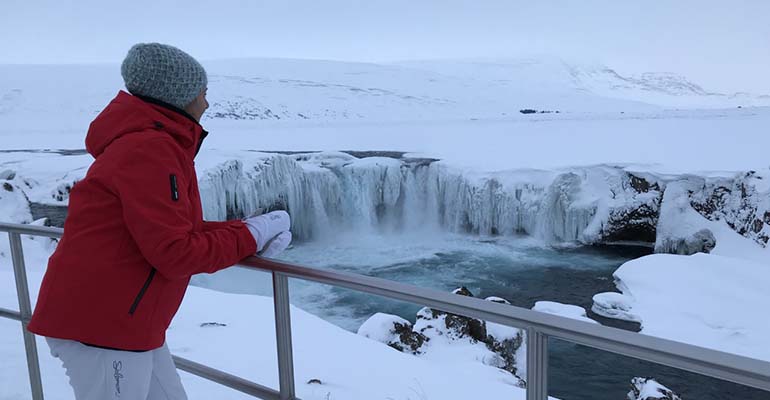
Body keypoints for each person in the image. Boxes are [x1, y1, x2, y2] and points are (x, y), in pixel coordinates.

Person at [27, 43, 292, 400]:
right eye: (203, 93)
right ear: (177, 95)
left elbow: (175, 228)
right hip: (103, 326)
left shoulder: (155, 144)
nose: (207, 104)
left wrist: (248, 230)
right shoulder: (148, 149)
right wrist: (250, 234)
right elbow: (176, 252)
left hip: (127, 322)